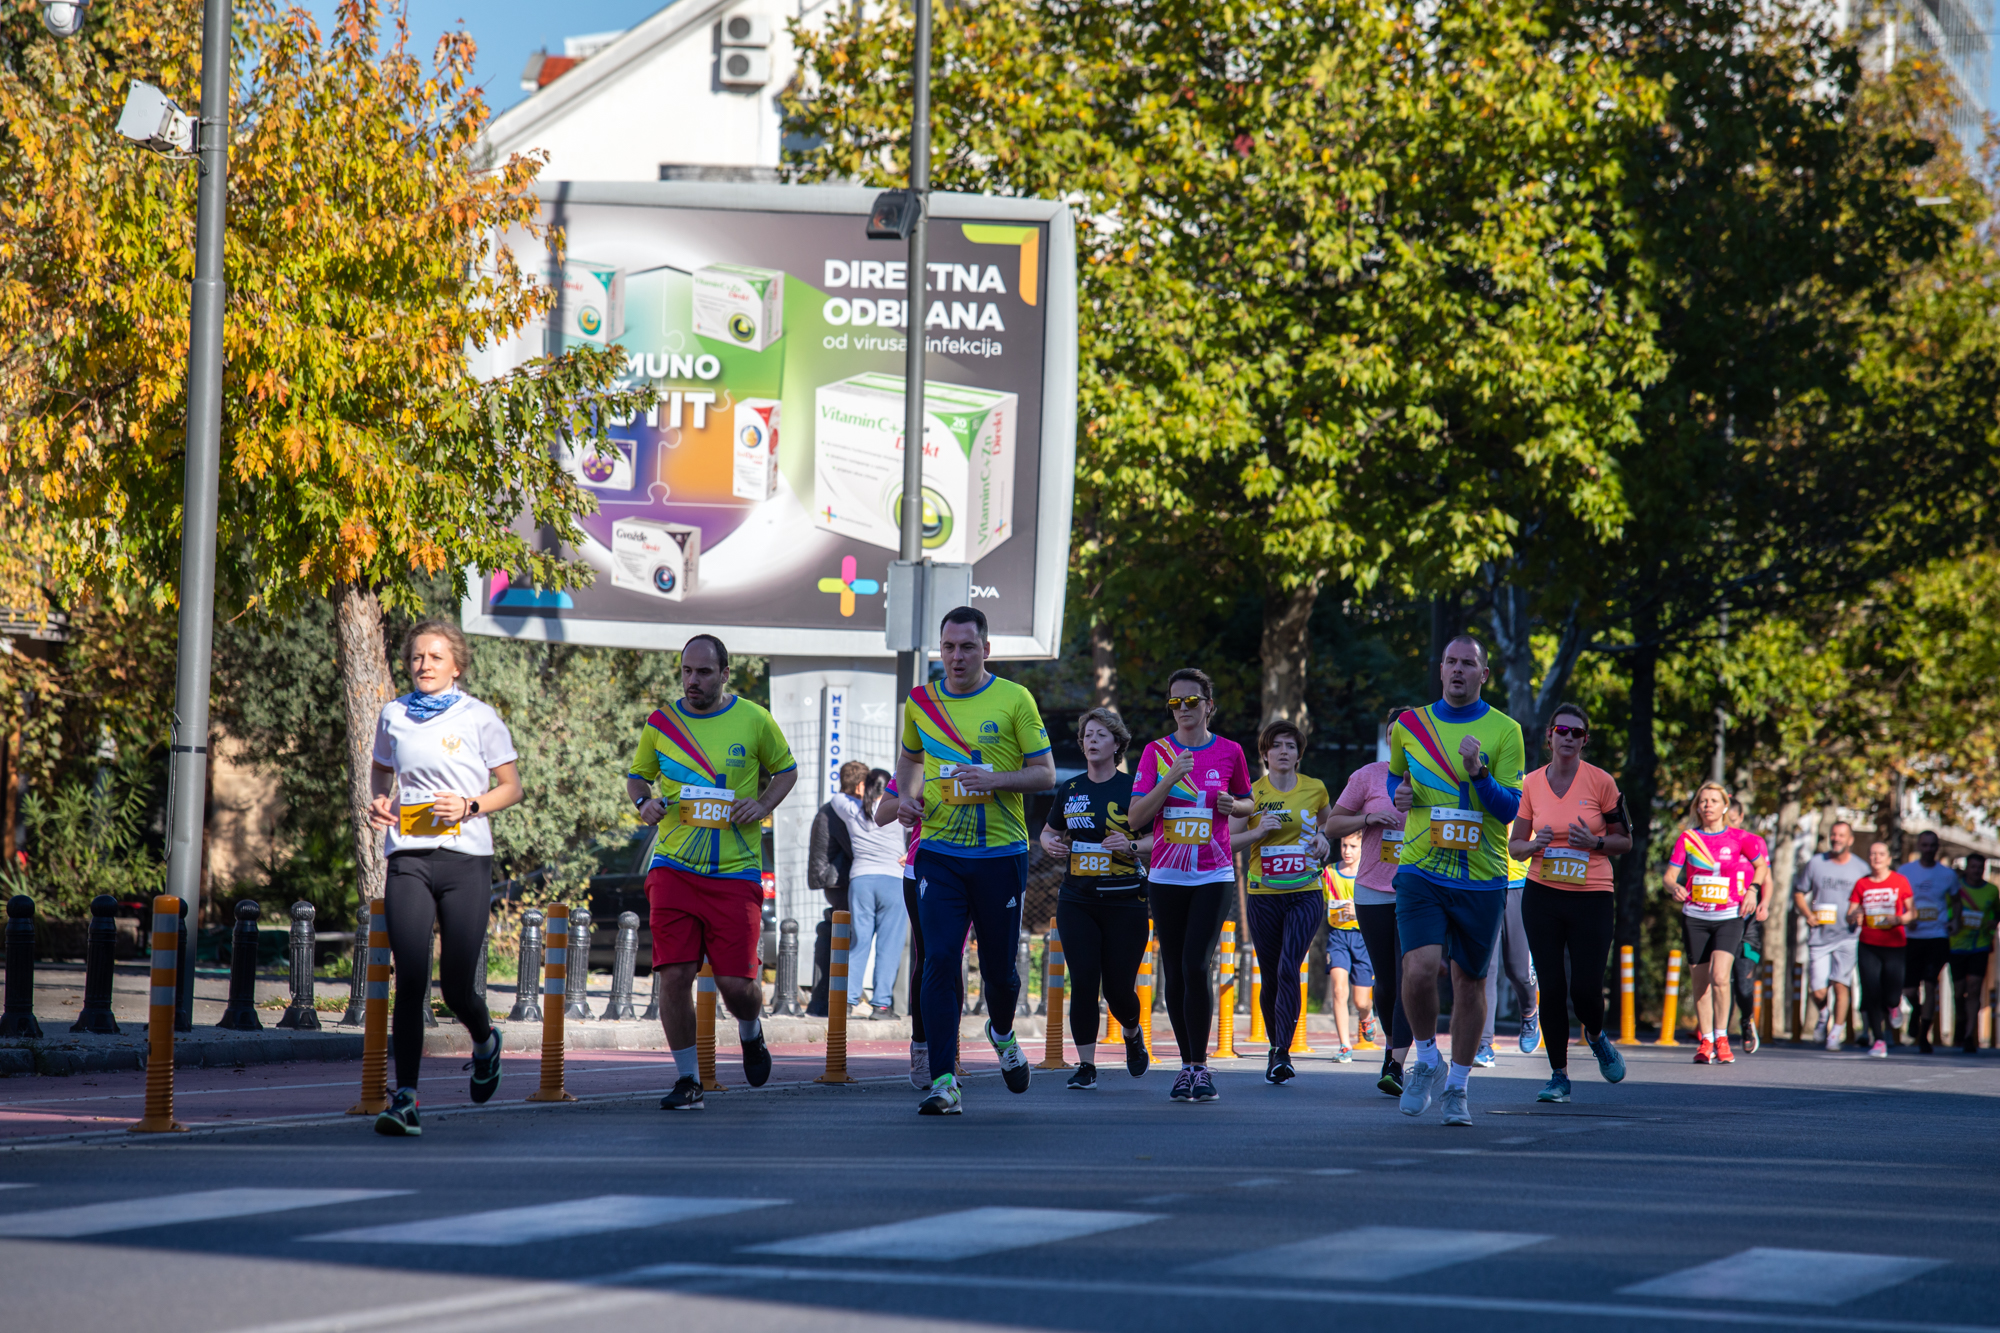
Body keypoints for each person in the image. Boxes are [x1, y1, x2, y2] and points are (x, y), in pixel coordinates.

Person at [894, 606, 1055, 1115]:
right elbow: (911, 759)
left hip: (1000, 853)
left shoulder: (1014, 698)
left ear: (985, 650)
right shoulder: (920, 701)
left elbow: (1046, 774)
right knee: (939, 959)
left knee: (1000, 973)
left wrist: (996, 780)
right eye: (948, 647)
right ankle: (945, 1080)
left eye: (966, 647)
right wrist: (905, 797)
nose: (956, 656)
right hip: (939, 852)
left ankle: (1002, 1033)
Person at [629, 634, 799, 1111]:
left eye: (704, 672)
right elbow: (637, 775)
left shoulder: (754, 719)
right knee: (674, 974)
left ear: (726, 674)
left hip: (735, 870)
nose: (693, 681)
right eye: (686, 671)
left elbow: (786, 770)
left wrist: (762, 804)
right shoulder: (662, 723)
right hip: (674, 866)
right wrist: (645, 802)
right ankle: (689, 1080)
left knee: (736, 986)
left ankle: (750, 1029)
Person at [366, 620, 523, 1137]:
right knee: (410, 977)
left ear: (456, 665)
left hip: (465, 861)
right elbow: (381, 770)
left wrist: (472, 804)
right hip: (408, 854)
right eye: (416, 657)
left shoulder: (479, 717)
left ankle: (485, 1041)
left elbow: (511, 788)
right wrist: (380, 800)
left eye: (435, 658)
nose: (424, 665)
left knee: (457, 986)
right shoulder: (393, 715)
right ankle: (405, 1098)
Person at [1388, 635, 1525, 1128]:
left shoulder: (1505, 731)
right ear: (1440, 669)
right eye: (1451, 662)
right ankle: (1426, 1059)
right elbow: (1396, 779)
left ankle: (1458, 1088)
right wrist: (1399, 796)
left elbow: (1510, 807)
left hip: (1482, 875)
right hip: (1421, 867)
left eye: (1469, 663)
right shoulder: (1409, 725)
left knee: (1469, 983)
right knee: (1420, 969)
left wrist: (1478, 773)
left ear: (1483, 674)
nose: (1458, 670)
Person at [1129, 668, 1253, 1103]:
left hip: (1213, 872)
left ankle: (1200, 1066)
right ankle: (1186, 1066)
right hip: (1166, 874)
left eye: (1191, 701)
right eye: (1175, 702)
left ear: (1209, 706)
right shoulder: (1155, 752)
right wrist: (1169, 777)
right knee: (1178, 969)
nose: (1183, 709)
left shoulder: (1231, 751)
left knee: (1197, 965)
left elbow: (1248, 802)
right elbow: (1136, 819)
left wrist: (1234, 804)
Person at [1511, 703, 1630, 1103]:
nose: (1568, 737)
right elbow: (1515, 846)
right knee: (1552, 984)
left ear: (1584, 740)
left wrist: (1594, 843)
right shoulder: (1531, 783)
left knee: (1585, 990)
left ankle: (1596, 1036)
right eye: (1562, 730)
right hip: (1542, 894)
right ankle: (1558, 1074)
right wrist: (1534, 845)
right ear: (1549, 735)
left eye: (1577, 733)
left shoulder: (1601, 782)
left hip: (1592, 895)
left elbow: (1624, 840)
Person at [1038, 708, 1151, 1090]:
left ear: (1117, 744)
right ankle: (1086, 1066)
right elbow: (1049, 832)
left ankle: (1132, 1035)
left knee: (1118, 988)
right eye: (1086, 734)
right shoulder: (1070, 789)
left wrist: (1132, 844)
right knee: (1084, 980)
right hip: (1077, 898)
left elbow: (1160, 839)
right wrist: (1051, 843)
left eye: (1100, 735)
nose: (1091, 740)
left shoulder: (1135, 789)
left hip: (1124, 900)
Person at [1233, 720, 1332, 1083]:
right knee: (1272, 973)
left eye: (1291, 746)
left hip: (1305, 891)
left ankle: (1282, 1052)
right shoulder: (1251, 794)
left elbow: (1327, 824)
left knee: (1290, 967)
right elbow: (1227, 842)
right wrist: (1259, 831)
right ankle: (1276, 1047)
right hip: (1264, 894)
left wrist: (1324, 839)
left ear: (1299, 754)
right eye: (1276, 746)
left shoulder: (1316, 789)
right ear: (1264, 754)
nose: (1284, 752)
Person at [1327, 709, 1411, 1096]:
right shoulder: (1368, 776)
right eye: (1394, 733)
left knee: (1411, 977)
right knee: (1387, 982)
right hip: (1373, 890)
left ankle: (1395, 1061)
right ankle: (1394, 1046)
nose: (1399, 739)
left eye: (1408, 733)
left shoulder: (1439, 777)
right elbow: (1332, 825)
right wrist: (1368, 818)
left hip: (1419, 890)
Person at [1664, 782, 1760, 1065]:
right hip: (1695, 917)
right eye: (1703, 801)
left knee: (1720, 976)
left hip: (1728, 916)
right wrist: (1674, 887)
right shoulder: (1688, 838)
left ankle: (1722, 1036)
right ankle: (1706, 1040)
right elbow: (1670, 875)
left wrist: (1753, 889)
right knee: (1700, 982)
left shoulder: (1740, 837)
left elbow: (1762, 866)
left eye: (1713, 800)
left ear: (1725, 806)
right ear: (1697, 807)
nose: (1708, 805)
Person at [832, 766, 909, 1019]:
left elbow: (837, 797)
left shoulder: (852, 809)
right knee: (889, 945)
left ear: (865, 786)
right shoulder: (898, 808)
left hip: (861, 880)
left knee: (859, 941)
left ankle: (847, 999)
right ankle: (881, 1005)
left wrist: (860, 791)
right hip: (893, 880)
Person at [1794, 820, 1867, 1051]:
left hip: (1847, 936)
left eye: (1841, 835)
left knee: (1841, 984)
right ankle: (1823, 1014)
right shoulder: (1816, 863)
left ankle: (1836, 1032)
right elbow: (1798, 892)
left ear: (1850, 840)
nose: (1836, 839)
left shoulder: (1861, 868)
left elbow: (1869, 899)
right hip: (1820, 935)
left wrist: (1860, 913)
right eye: (1833, 835)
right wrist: (1807, 914)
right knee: (1817, 989)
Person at [1849, 841, 1916, 1057]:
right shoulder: (1862, 884)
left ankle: (1894, 1005)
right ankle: (1878, 1040)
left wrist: (1896, 919)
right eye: (1872, 854)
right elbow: (1850, 912)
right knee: (1871, 991)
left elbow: (1912, 913)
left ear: (1888, 858)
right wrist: (1855, 916)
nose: (1876, 857)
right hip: (1868, 944)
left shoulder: (1899, 881)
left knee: (1891, 994)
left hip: (1895, 943)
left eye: (1881, 854)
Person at [1476, 850, 1540, 1067]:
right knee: (1484, 971)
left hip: (1519, 884)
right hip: (1483, 884)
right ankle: (1484, 1044)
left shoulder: (1525, 812)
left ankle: (1529, 1012)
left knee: (1518, 970)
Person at [1898, 831, 1959, 1054]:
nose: (1928, 849)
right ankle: (1916, 1010)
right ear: (1918, 846)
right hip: (1912, 936)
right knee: (1909, 989)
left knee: (1931, 984)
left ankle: (1924, 1035)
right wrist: (1906, 919)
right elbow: (1898, 901)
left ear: (1937, 847)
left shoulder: (1947, 875)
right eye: (1924, 845)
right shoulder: (1905, 872)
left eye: (1932, 845)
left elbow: (1956, 901)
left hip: (1937, 936)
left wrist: (1955, 922)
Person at [804, 768, 856, 1017]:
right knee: (840, 934)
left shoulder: (828, 809)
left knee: (833, 930)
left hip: (831, 880)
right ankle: (828, 1000)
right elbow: (855, 847)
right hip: (840, 881)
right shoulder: (841, 811)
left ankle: (822, 1000)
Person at [1726, 797, 1774, 1055]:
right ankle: (1716, 1036)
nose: (1729, 825)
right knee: (1719, 979)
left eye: (1733, 820)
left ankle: (1747, 1020)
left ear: (1741, 817)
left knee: (1743, 983)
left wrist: (1764, 902)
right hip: (1719, 918)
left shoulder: (1754, 842)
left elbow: (1768, 877)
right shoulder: (1713, 843)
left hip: (1748, 923)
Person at [1321, 831, 1372, 1062]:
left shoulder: (1370, 874)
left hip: (1364, 938)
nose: (1347, 851)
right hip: (1338, 937)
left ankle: (1366, 1015)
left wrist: (1359, 912)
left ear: (1363, 847)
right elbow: (1321, 904)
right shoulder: (1329, 873)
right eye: (1343, 846)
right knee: (1339, 990)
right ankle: (1344, 1045)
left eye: (1353, 846)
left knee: (1361, 1001)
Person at [1948, 855, 1995, 1056]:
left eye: (1980, 867)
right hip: (1957, 945)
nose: (1976, 871)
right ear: (1967, 868)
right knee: (1959, 991)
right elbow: (1948, 910)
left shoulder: (1992, 891)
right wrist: (1953, 922)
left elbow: (1996, 912)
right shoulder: (1956, 889)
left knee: (1974, 988)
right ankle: (1961, 1019)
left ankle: (1969, 1036)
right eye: (1973, 867)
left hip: (1980, 945)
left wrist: (1993, 924)